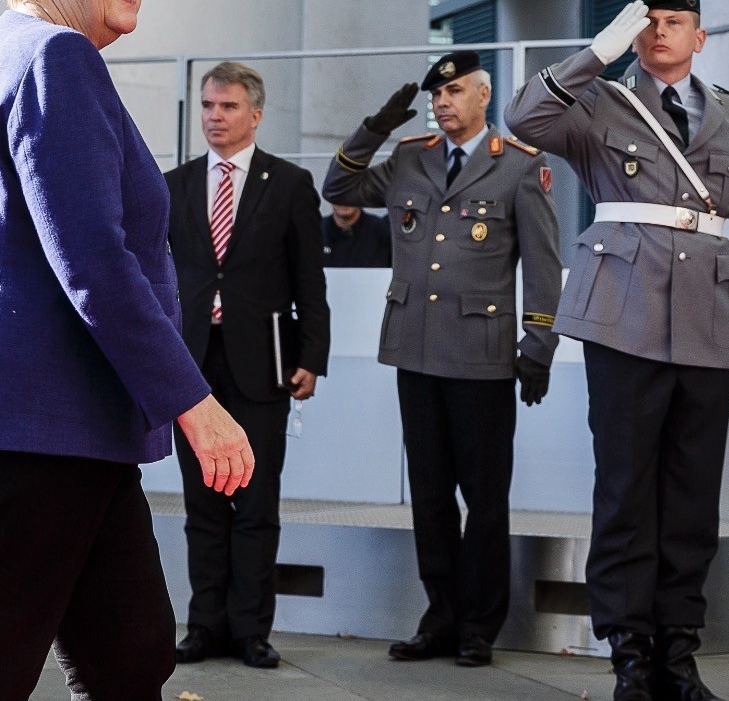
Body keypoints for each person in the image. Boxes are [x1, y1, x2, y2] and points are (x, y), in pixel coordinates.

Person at [0, 0, 254, 701]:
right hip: (39, 431)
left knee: (131, 656)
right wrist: (194, 401)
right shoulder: (53, 58)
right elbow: (95, 264)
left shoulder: (7, 52)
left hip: (71, 430)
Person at [506, 0, 729, 701]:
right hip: (621, 316)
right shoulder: (599, 101)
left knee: (691, 497)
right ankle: (630, 653)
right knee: (627, 490)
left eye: (677, 22)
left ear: (700, 37)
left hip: (707, 323)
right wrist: (593, 55)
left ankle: (678, 653)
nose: (661, 32)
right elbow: (523, 116)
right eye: (650, 23)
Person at [322, 50, 562, 668]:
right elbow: (339, 187)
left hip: (481, 358)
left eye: (454, 91)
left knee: (484, 497)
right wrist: (375, 126)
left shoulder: (517, 169)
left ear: (484, 96)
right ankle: (441, 616)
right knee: (429, 495)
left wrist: (538, 345)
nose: (442, 102)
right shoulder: (409, 158)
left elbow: (540, 266)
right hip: (416, 348)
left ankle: (480, 626)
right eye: (436, 94)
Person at [168, 61, 331, 670]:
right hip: (192, 367)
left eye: (229, 107)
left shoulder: (287, 183)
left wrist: (312, 355)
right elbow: (161, 280)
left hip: (263, 363)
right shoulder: (175, 183)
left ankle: (251, 632)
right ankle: (203, 626)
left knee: (256, 504)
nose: (215, 116)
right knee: (201, 504)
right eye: (209, 105)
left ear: (255, 115)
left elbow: (309, 280)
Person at [323, 204, 392, 267]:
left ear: (360, 197)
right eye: (338, 194)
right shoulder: (317, 230)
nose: (344, 200)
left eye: (350, 193)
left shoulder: (382, 230)